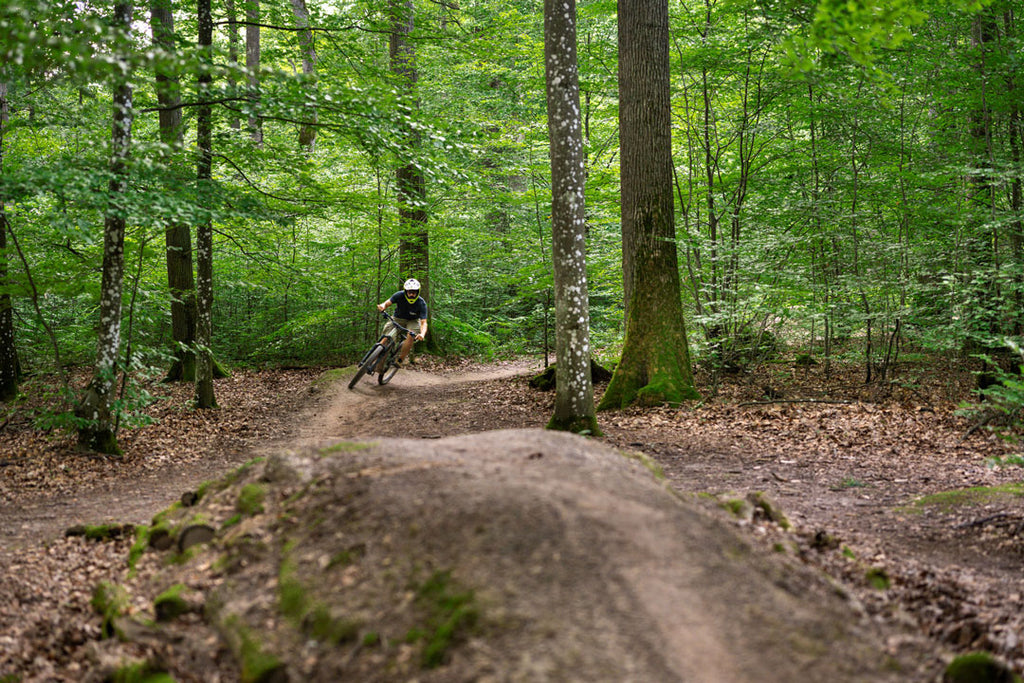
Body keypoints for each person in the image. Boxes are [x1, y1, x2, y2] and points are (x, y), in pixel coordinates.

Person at [377, 278, 428, 367]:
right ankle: (376, 359)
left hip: (413, 321)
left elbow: (424, 322)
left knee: (411, 335)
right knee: (385, 338)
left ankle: (400, 360)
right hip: (398, 318)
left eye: (414, 292)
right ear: (406, 291)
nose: (411, 294)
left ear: (417, 292)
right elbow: (388, 302)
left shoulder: (421, 303)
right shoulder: (399, 295)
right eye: (409, 292)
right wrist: (383, 305)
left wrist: (422, 334)